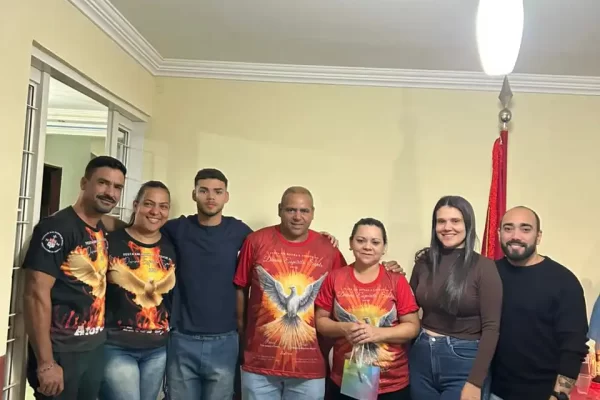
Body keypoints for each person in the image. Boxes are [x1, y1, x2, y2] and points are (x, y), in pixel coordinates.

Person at [102, 168, 343, 399]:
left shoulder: (241, 232)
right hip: (181, 338)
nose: (211, 197)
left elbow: (277, 242)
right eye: (204, 190)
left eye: (218, 191)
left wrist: (320, 238)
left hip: (225, 341)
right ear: (194, 194)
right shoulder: (176, 228)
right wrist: (113, 226)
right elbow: (145, 226)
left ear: (226, 196)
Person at [234, 187, 404, 399]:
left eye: (304, 211)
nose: (298, 216)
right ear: (279, 210)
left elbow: (354, 279)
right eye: (291, 210)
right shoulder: (255, 241)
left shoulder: (328, 249)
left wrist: (384, 268)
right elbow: (240, 288)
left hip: (311, 368)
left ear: (313, 213)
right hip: (259, 365)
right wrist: (242, 334)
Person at [23, 156, 126, 399]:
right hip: (61, 351)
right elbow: (35, 294)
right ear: (84, 183)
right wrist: (46, 363)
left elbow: (120, 225)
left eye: (117, 187)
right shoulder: (56, 229)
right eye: (103, 183)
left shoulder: (101, 226)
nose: (110, 192)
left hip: (93, 348)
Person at [315, 218, 420, 400]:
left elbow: (412, 326)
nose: (367, 247)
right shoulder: (335, 278)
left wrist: (377, 333)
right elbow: (321, 321)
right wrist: (344, 328)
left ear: (384, 247)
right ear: (350, 243)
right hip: (348, 379)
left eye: (375, 242)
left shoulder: (396, 280)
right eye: (361, 240)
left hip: (392, 383)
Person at [409, 195, 502, 400]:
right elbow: (408, 309)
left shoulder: (484, 267)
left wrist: (475, 382)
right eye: (441, 221)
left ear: (468, 224)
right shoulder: (424, 262)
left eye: (455, 221)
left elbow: (491, 328)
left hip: (464, 361)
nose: (447, 227)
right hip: (421, 356)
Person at [490, 206, 588, 400]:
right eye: (508, 228)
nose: (515, 236)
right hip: (493, 392)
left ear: (538, 236)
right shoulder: (488, 274)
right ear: (499, 233)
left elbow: (573, 346)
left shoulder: (563, 281)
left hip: (543, 394)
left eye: (525, 229)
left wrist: (558, 395)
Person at [99, 181, 176, 400]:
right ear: (136, 205)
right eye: (149, 204)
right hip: (116, 346)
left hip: (157, 349)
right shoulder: (111, 242)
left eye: (163, 206)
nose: (155, 211)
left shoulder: (172, 247)